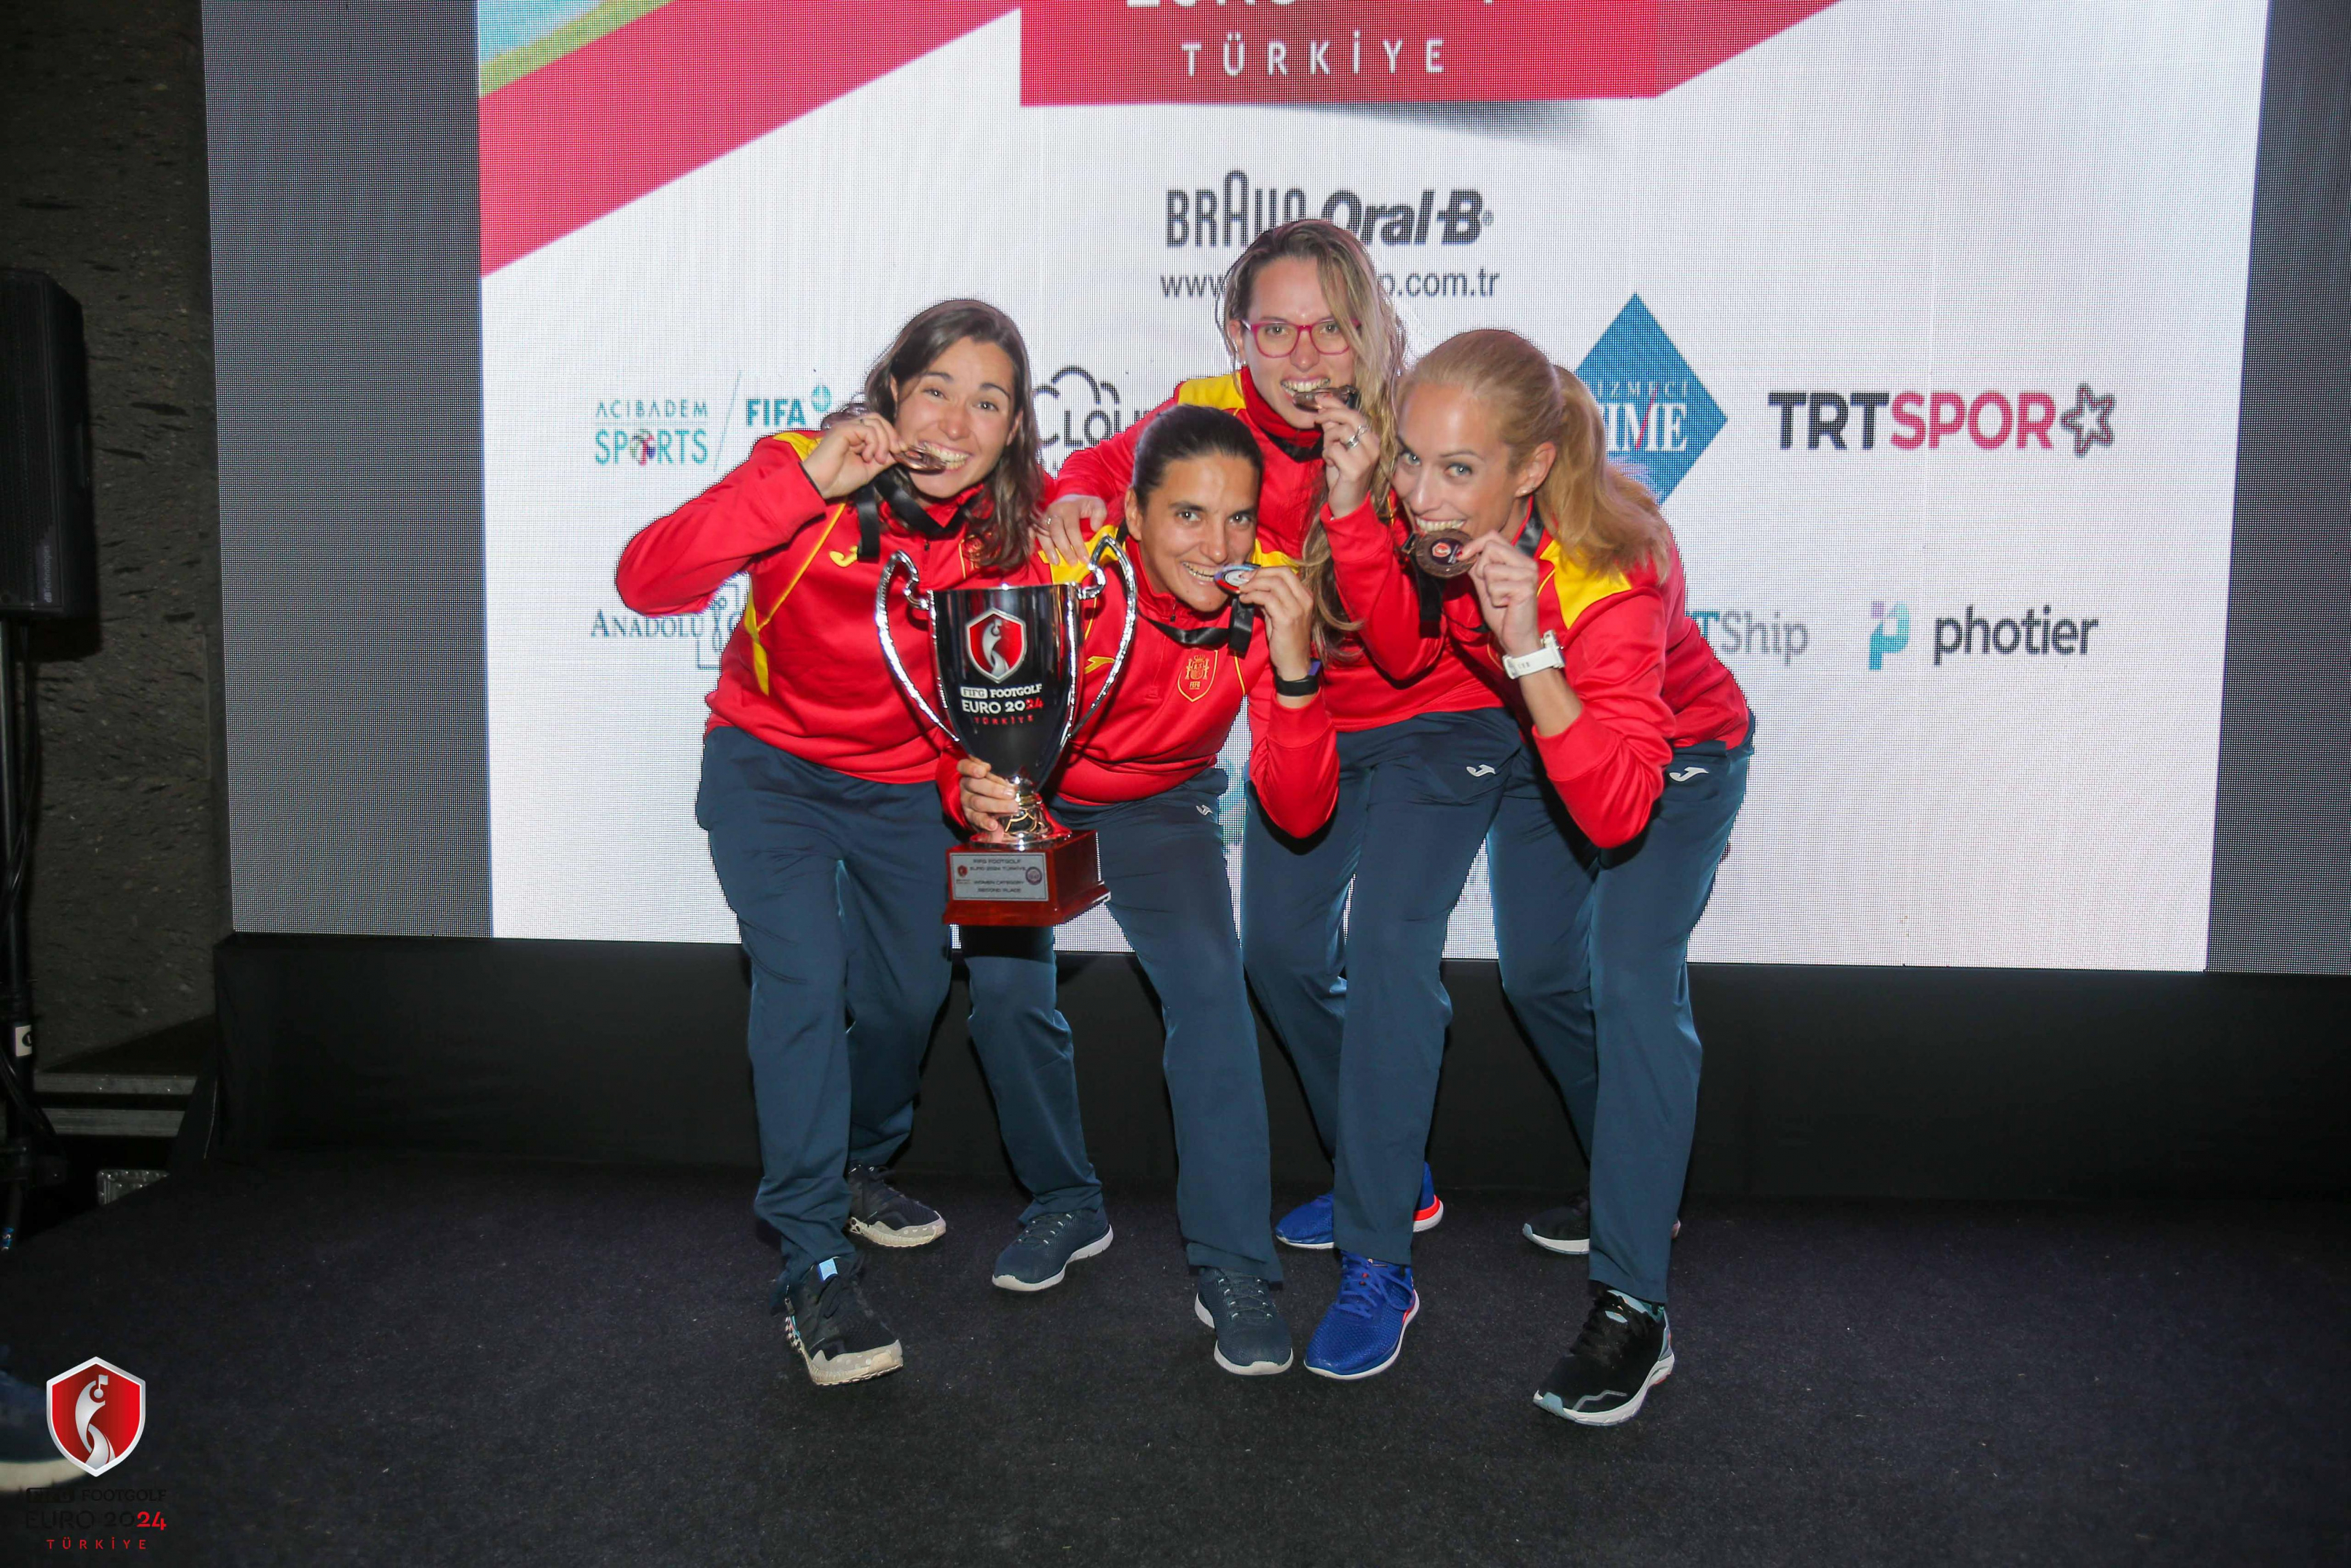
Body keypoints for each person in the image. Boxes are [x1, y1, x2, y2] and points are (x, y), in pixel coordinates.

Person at [1047, 220, 1507, 1381]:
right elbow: (1104, 475)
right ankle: (1383, 1166)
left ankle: (1376, 1258)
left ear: (1369, 326)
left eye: (1329, 327)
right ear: (1235, 332)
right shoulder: (1205, 402)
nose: (1303, 357)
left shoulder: (1415, 429)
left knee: (1395, 952)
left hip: (1434, 714)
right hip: (1308, 721)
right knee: (1276, 961)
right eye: (1273, 327)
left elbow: (1404, 651)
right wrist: (1065, 504)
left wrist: (1358, 501)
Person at [1319, 328, 1752, 1425]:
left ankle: (1631, 1305)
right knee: (1535, 979)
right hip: (1534, 736)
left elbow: (1617, 805)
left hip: (1670, 765)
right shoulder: (1419, 514)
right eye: (1408, 459)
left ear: (1531, 468)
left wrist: (1525, 646)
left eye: (1454, 470)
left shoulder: (1616, 562)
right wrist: (1350, 513)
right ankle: (1630, 1177)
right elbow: (1408, 651)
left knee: (1628, 979)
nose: (1417, 494)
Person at [614, 299, 1044, 1388]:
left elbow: (972, 706)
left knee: (905, 998)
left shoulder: (1006, 542)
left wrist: (978, 784)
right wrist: (805, 480)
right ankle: (807, 1253)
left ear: (1011, 431)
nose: (955, 418)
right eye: (936, 387)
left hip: (900, 790)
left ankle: (855, 1160)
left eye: (986, 400)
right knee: (803, 983)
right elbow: (645, 579)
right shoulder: (802, 476)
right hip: (770, 774)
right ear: (891, 392)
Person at [954, 405, 1338, 1375]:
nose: (1218, 546)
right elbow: (959, 715)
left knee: (1213, 990)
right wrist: (970, 788)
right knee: (1001, 996)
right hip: (1035, 800)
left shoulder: (1267, 602)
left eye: (1238, 518)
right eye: (1188, 516)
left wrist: (1294, 672)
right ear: (1130, 510)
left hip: (1162, 810)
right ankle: (1064, 1201)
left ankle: (1233, 1264)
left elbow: (1295, 808)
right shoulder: (1069, 572)